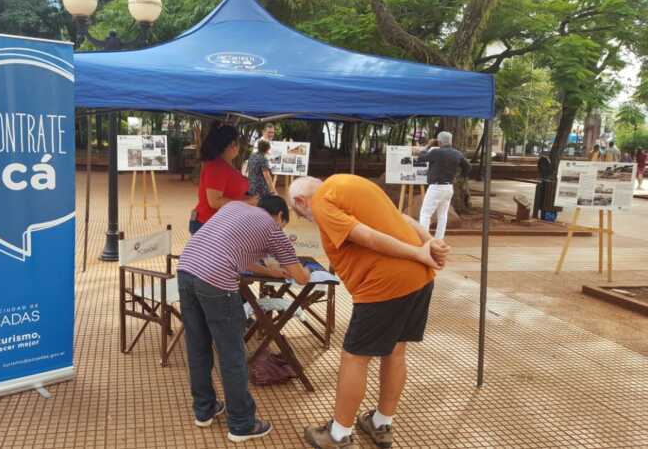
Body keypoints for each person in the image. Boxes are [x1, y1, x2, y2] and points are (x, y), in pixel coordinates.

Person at [289, 175, 450, 449]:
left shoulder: (321, 202)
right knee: (395, 352)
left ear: (300, 201)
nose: (309, 219)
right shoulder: (352, 183)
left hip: (384, 284)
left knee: (354, 357)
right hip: (419, 279)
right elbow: (401, 218)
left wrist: (417, 252)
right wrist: (430, 242)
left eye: (300, 215)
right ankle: (381, 422)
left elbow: (366, 236)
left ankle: (338, 434)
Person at [177, 196, 311, 443]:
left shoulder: (234, 207)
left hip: (186, 270)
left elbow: (241, 255)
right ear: (280, 216)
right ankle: (241, 424)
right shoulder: (273, 229)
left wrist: (269, 271)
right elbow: (300, 277)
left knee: (197, 346)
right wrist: (308, 272)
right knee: (232, 353)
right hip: (216, 279)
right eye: (283, 223)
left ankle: (204, 410)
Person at [191, 123, 254, 234]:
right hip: (208, 225)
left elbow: (230, 193)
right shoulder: (216, 167)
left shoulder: (226, 165)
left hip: (221, 224)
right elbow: (214, 201)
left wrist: (248, 198)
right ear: (233, 145)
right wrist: (247, 202)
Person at [417, 131, 470, 239]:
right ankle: (439, 239)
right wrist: (460, 177)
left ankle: (424, 239)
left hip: (436, 187)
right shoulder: (457, 153)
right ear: (450, 141)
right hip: (448, 187)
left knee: (425, 213)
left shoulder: (436, 152)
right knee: (442, 215)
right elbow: (468, 167)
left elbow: (421, 157)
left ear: (439, 142)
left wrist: (427, 146)